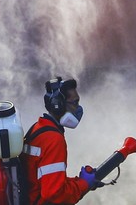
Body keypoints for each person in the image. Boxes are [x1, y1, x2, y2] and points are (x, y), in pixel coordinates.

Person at [23, 76, 95, 205]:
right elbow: (54, 193)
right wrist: (83, 184)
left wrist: (79, 181)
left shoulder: (38, 128)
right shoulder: (54, 139)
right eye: (75, 102)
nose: (78, 109)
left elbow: (46, 179)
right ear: (58, 105)